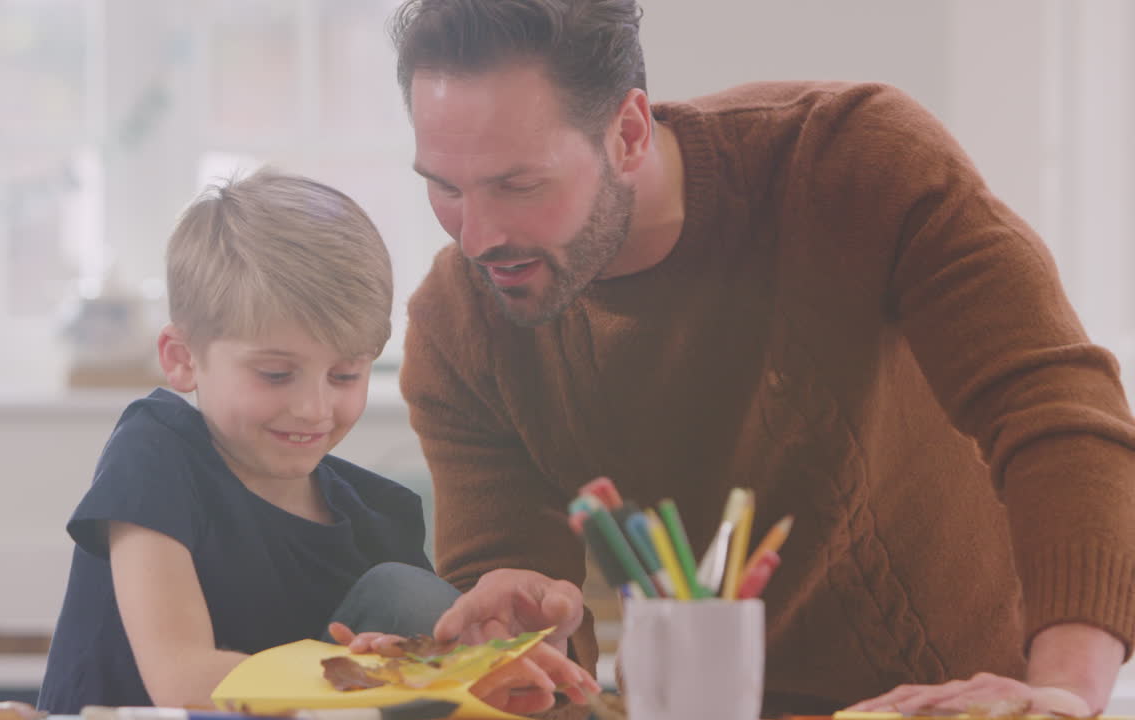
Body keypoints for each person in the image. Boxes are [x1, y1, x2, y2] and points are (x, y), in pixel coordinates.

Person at [387, 0, 1135, 717]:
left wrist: (1064, 691)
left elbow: (1060, 412)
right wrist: (515, 648)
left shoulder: (851, 161)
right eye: (445, 188)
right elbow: (518, 612)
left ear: (629, 133)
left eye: (518, 185)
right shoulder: (459, 329)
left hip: (972, 697)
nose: (476, 236)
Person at [36, 168, 596, 714]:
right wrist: (385, 677)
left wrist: (501, 657)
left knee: (416, 601)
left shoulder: (380, 517)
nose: (313, 408)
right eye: (277, 374)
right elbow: (181, 681)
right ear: (183, 360)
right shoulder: (155, 452)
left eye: (345, 375)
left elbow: (416, 673)